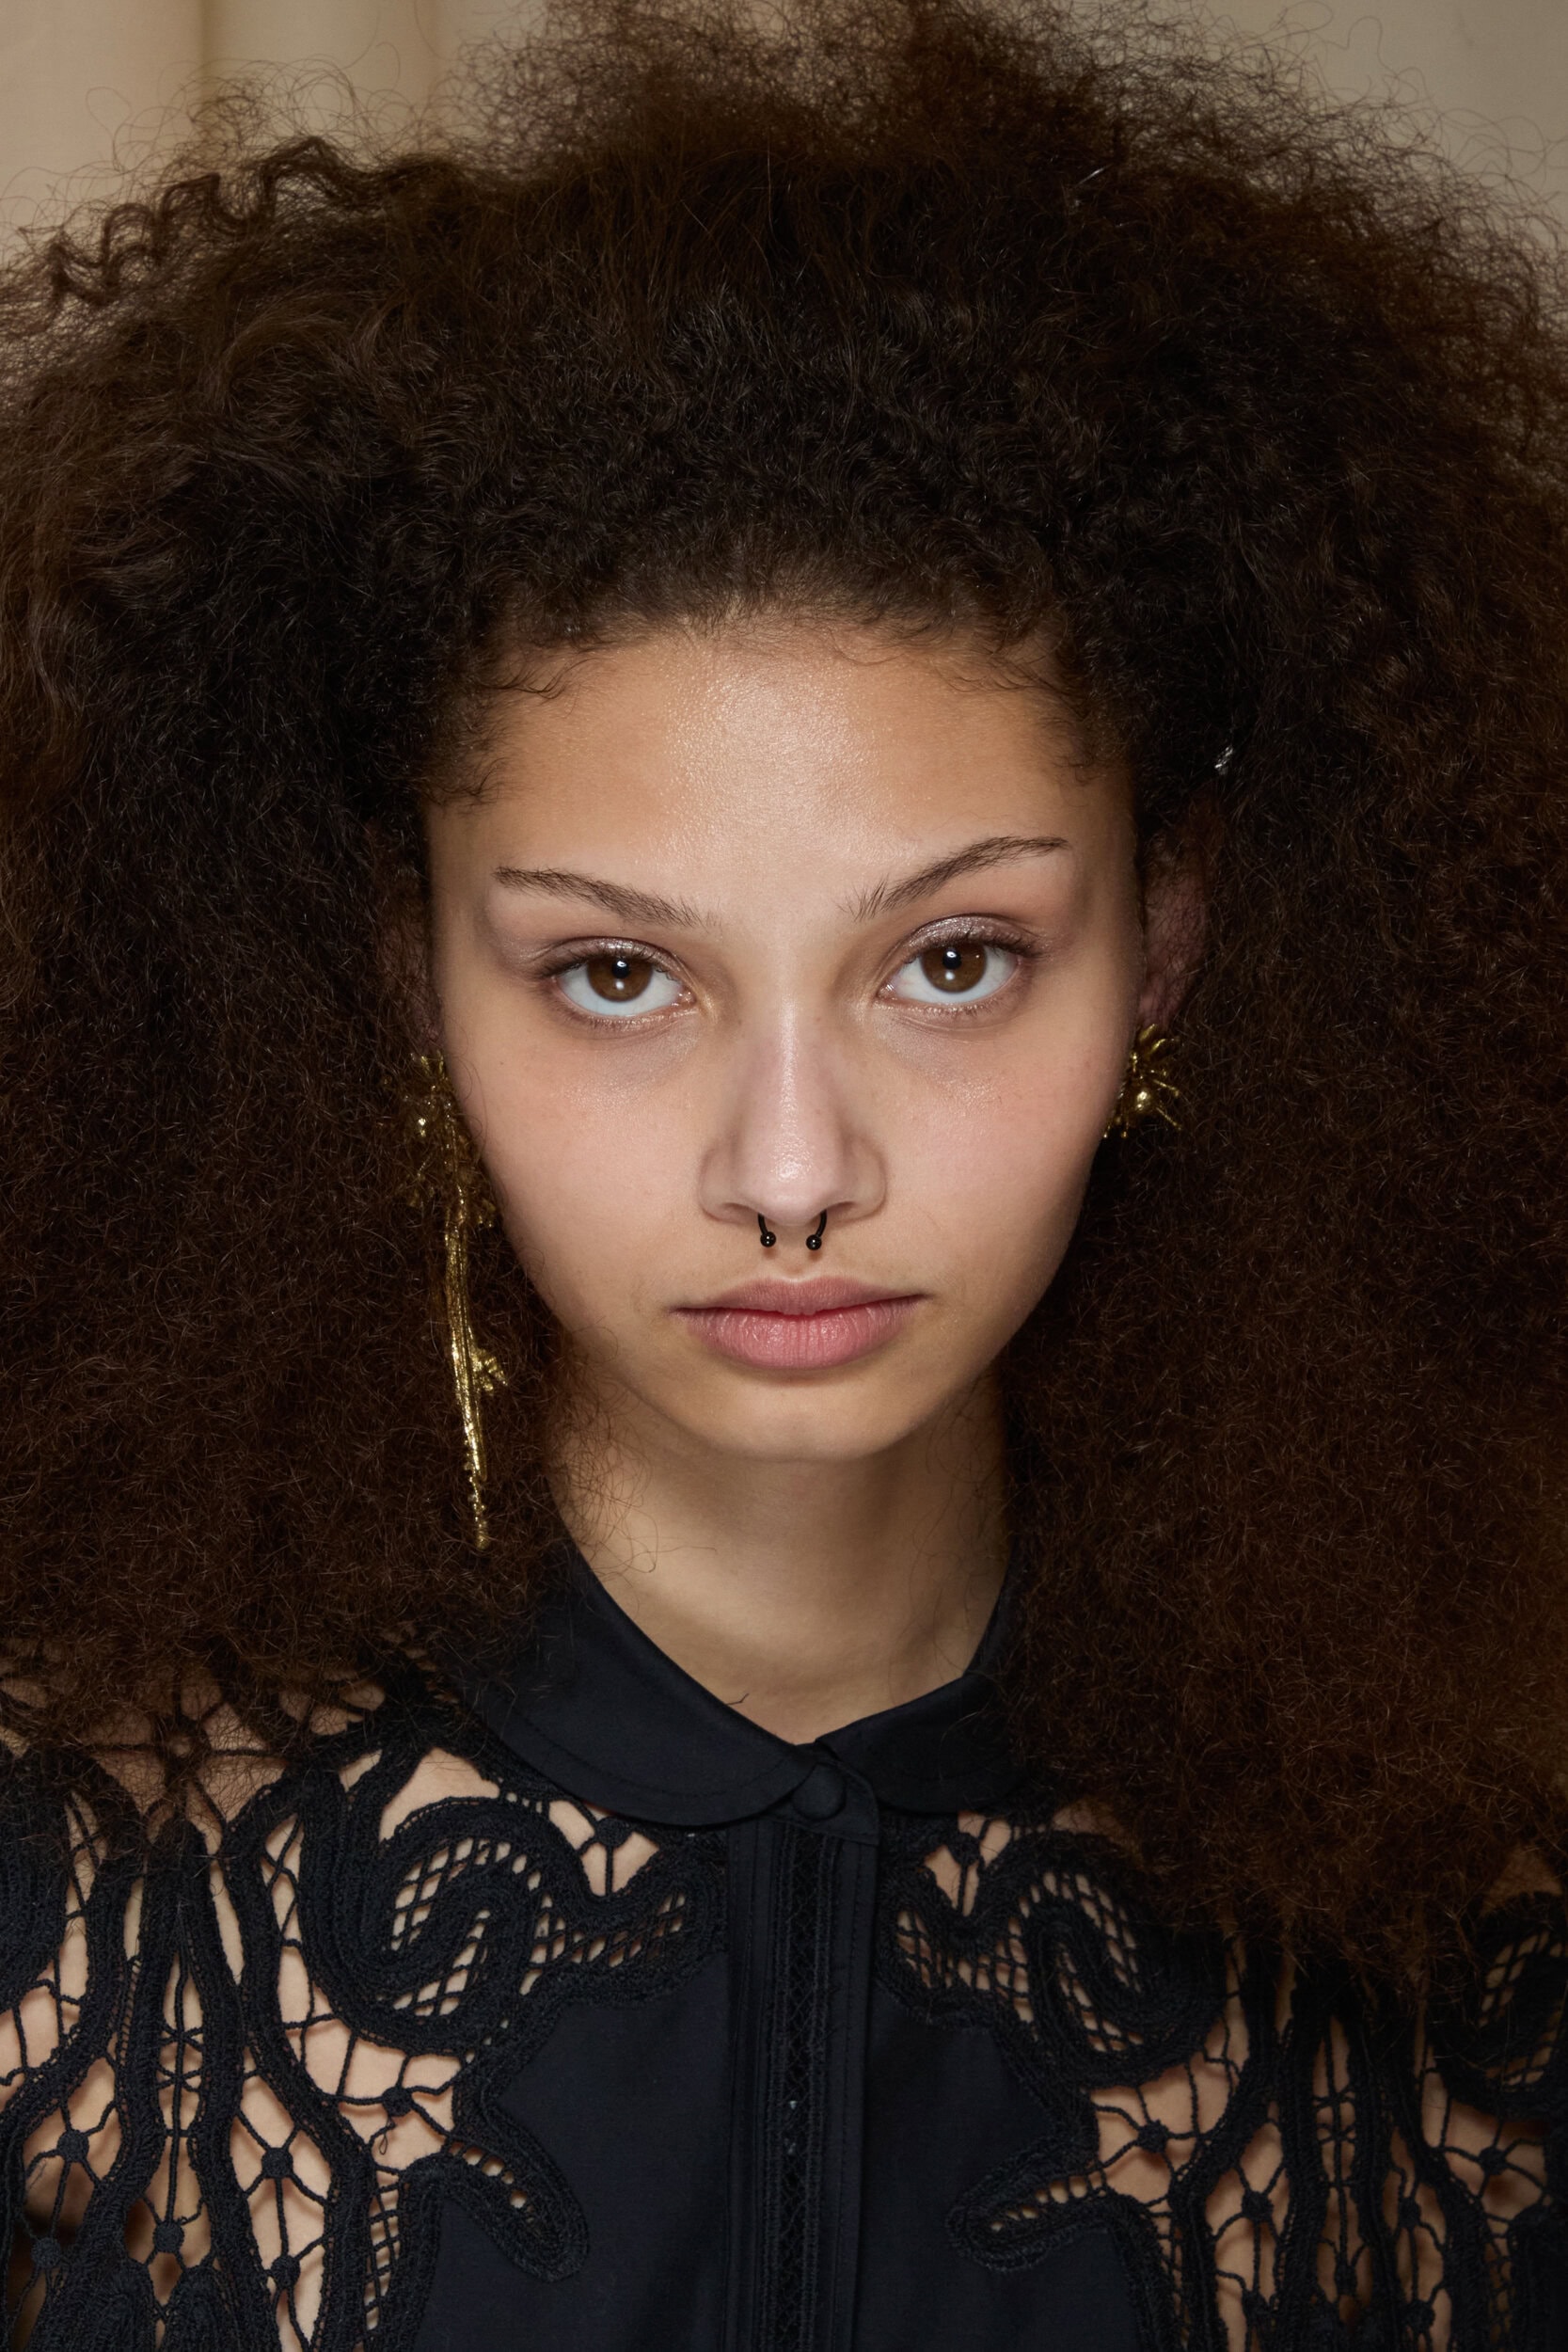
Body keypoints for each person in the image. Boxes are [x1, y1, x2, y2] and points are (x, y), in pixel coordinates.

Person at [2, 1, 1566, 2343]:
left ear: (1165, 947)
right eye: (619, 974)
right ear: (410, 975)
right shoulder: (56, 1911)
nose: (793, 1167)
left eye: (952, 959)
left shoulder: (1479, 1978)